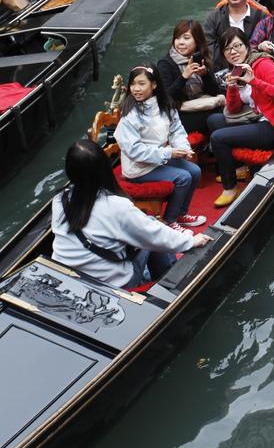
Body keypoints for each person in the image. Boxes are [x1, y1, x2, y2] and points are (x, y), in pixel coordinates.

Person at [51, 140, 210, 289]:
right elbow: (154, 235)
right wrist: (190, 241)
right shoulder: (116, 206)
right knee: (152, 224)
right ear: (104, 169)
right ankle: (168, 280)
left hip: (67, 276)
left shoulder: (59, 200)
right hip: (112, 283)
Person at [114, 64, 206, 232]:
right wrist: (169, 152)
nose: (136, 89)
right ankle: (170, 220)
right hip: (138, 168)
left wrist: (184, 148)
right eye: (133, 84)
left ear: (154, 85)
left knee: (195, 171)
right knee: (183, 177)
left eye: (142, 84)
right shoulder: (129, 116)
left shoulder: (165, 105)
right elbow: (134, 151)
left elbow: (176, 130)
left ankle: (181, 213)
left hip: (158, 158)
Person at [207, 28, 274, 207]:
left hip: (272, 124)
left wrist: (254, 81)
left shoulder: (262, 64)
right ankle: (240, 168)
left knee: (218, 138)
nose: (233, 52)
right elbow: (233, 109)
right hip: (255, 117)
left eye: (237, 46)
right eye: (228, 49)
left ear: (247, 46)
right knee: (213, 120)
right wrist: (232, 88)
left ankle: (230, 188)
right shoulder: (236, 70)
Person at [158, 19, 225, 135]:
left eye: (186, 38)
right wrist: (184, 77)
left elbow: (214, 92)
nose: (180, 42)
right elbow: (166, 99)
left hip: (202, 105)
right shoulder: (165, 64)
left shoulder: (202, 59)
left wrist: (205, 75)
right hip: (178, 114)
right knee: (218, 116)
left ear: (197, 41)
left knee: (225, 111)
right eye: (177, 38)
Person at [204, 0, 268, 66]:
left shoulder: (261, 16)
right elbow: (208, 48)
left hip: (254, 66)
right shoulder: (213, 17)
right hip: (223, 69)